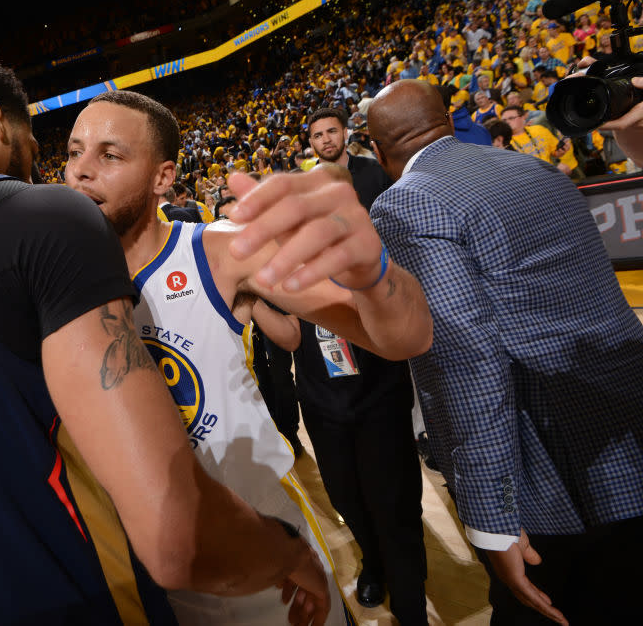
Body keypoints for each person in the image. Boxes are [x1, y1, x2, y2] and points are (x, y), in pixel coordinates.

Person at [0, 52, 335, 626]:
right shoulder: (34, 222)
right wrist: (286, 550)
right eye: (63, 149)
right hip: (72, 584)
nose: (60, 168)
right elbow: (172, 534)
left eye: (108, 154)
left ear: (163, 175)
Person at [64, 89, 434, 625]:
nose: (81, 172)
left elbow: (406, 338)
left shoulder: (219, 250)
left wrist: (373, 276)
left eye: (110, 155)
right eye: (74, 152)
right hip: (146, 568)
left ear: (163, 178)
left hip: (266, 549)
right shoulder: (58, 282)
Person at [367, 78, 643, 626]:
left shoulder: (406, 203)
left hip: (548, 470)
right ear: (448, 121)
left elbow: (463, 362)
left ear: (378, 152)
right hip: (626, 425)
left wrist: (492, 514)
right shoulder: (532, 167)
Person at [288, 163, 428, 624]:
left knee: (396, 507)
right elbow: (287, 338)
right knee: (346, 498)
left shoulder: (379, 250)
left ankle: (409, 602)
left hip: (379, 398)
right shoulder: (287, 262)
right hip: (322, 405)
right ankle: (373, 563)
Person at [306, 108, 392, 213]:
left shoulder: (377, 170)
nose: (326, 140)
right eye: (318, 136)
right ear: (311, 143)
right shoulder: (304, 189)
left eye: (332, 131)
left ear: (345, 133)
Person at [499, 106, 576, 176]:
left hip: (553, 175)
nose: (507, 122)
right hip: (531, 181)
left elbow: (555, 152)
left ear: (523, 117)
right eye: (504, 120)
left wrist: (561, 155)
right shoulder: (503, 143)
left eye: (511, 118)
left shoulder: (538, 129)